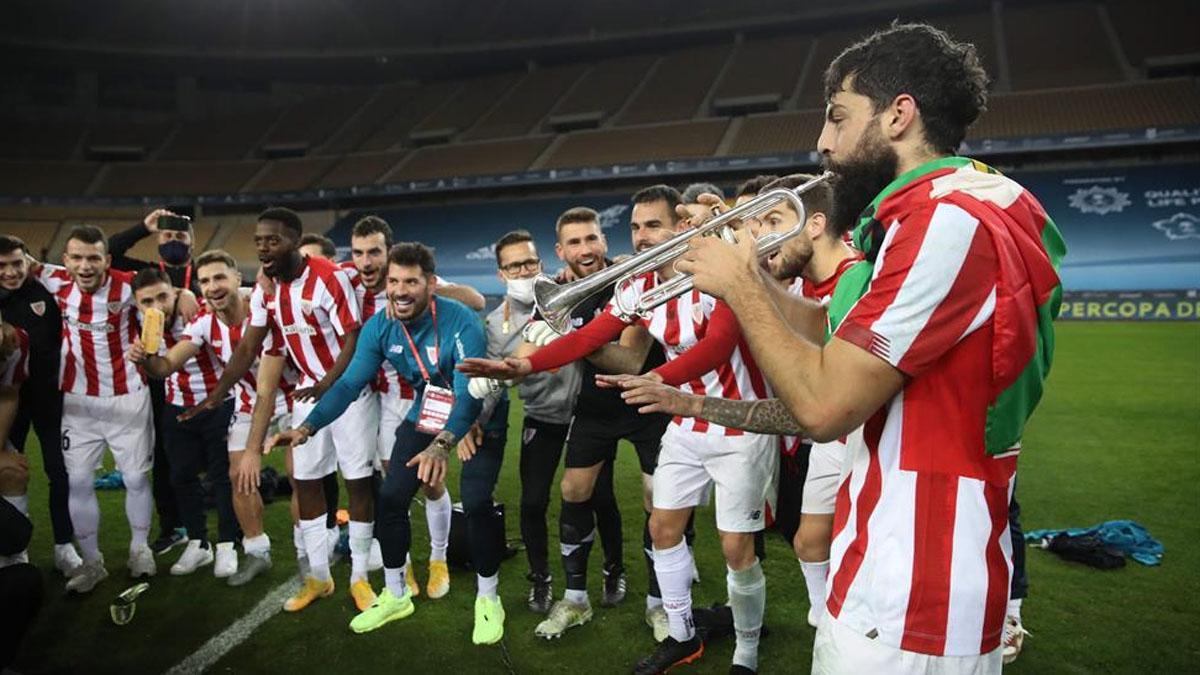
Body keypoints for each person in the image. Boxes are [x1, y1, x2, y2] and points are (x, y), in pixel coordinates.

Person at [655, 23, 1064, 674]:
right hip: (898, 564)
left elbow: (824, 405)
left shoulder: (944, 219)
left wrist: (740, 286)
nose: (823, 141)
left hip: (910, 587)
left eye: (838, 117)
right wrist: (748, 279)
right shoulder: (956, 204)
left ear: (899, 115)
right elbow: (832, 333)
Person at [460, 186, 776, 674]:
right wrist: (526, 366)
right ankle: (680, 634)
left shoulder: (721, 269)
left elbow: (718, 346)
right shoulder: (638, 282)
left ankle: (747, 654)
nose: (643, 236)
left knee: (737, 547)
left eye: (654, 225)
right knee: (662, 527)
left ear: (681, 224)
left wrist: (652, 378)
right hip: (685, 420)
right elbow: (591, 334)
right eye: (635, 227)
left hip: (737, 418)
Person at [614, 173, 866, 630]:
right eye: (757, 222)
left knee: (849, 545)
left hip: (856, 434)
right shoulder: (809, 284)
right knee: (808, 542)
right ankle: (826, 625)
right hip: (821, 434)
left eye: (772, 220)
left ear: (812, 225)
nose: (760, 234)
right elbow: (813, 325)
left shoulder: (857, 278)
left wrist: (741, 272)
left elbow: (814, 397)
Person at [271, 242, 509, 645]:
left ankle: (488, 600)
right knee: (392, 496)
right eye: (394, 281)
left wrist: (445, 442)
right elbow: (348, 383)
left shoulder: (462, 320)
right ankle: (397, 593)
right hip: (428, 411)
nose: (400, 290)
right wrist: (308, 427)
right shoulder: (380, 326)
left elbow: (470, 392)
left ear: (431, 284)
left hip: (481, 413)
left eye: (411, 282)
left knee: (477, 499)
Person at [471, 205, 671, 642]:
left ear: (604, 241)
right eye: (575, 242)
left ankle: (662, 605)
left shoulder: (631, 279)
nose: (585, 248)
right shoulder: (557, 294)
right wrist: (502, 373)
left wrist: (571, 341)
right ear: (560, 251)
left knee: (661, 500)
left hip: (645, 400)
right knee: (573, 491)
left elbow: (630, 358)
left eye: (592, 238)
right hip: (595, 405)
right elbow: (527, 346)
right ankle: (576, 600)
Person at [186, 207, 373, 613]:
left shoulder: (328, 277)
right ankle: (318, 578)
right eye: (258, 241)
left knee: (358, 483)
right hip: (306, 399)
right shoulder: (268, 290)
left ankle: (359, 578)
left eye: (273, 240)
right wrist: (217, 393)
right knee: (305, 483)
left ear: (293, 239)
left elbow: (352, 338)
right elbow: (249, 347)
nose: (264, 247)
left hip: (350, 396)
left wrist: (329, 383)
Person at [468, 227, 624, 615]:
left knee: (601, 497)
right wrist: (471, 421)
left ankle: (613, 569)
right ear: (500, 274)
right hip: (542, 417)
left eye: (529, 262)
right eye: (513, 266)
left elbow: (608, 271)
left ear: (542, 262)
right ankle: (541, 579)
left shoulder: (565, 293)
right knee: (533, 501)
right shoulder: (493, 324)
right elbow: (495, 381)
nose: (523, 271)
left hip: (586, 417)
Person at [31, 225, 167, 593]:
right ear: (65, 261)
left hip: (128, 395)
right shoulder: (53, 280)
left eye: (94, 258)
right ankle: (92, 562)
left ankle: (140, 550)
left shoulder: (129, 285)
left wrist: (183, 298)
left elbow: (172, 293)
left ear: (107, 260)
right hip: (77, 401)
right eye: (77, 257)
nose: (85, 265)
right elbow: (16, 261)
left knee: (137, 479)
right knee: (77, 482)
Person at [343, 215, 452, 599]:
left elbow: (469, 298)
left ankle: (439, 558)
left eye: (375, 252)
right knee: (381, 485)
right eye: (358, 253)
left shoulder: (409, 282)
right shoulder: (345, 280)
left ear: (389, 253)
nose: (367, 262)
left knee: (428, 479)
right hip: (371, 398)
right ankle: (400, 565)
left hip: (413, 396)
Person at [109, 208, 202, 555]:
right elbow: (108, 252)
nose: (174, 242)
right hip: (159, 381)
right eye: (167, 236)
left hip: (207, 381)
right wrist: (143, 227)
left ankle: (221, 527)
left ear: (193, 241)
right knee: (165, 456)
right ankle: (171, 525)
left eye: (180, 236)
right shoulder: (144, 275)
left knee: (216, 456)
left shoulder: (204, 274)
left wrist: (189, 291)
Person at [0, 235, 82, 575]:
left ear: (28, 260)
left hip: (50, 395)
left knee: (60, 473)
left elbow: (99, 266)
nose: (10, 272)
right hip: (7, 397)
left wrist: (181, 292)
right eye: (1, 266)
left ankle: (64, 546)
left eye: (16, 263)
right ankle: (12, 550)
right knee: (8, 470)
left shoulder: (49, 283)